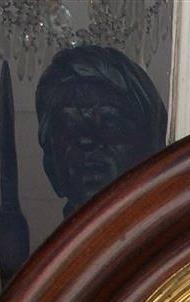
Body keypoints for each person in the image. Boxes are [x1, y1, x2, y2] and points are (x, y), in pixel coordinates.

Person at [35, 45, 166, 218]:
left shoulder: (183, 240)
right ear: (50, 165)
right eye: (69, 126)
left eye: (109, 123)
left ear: (149, 148)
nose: (85, 140)